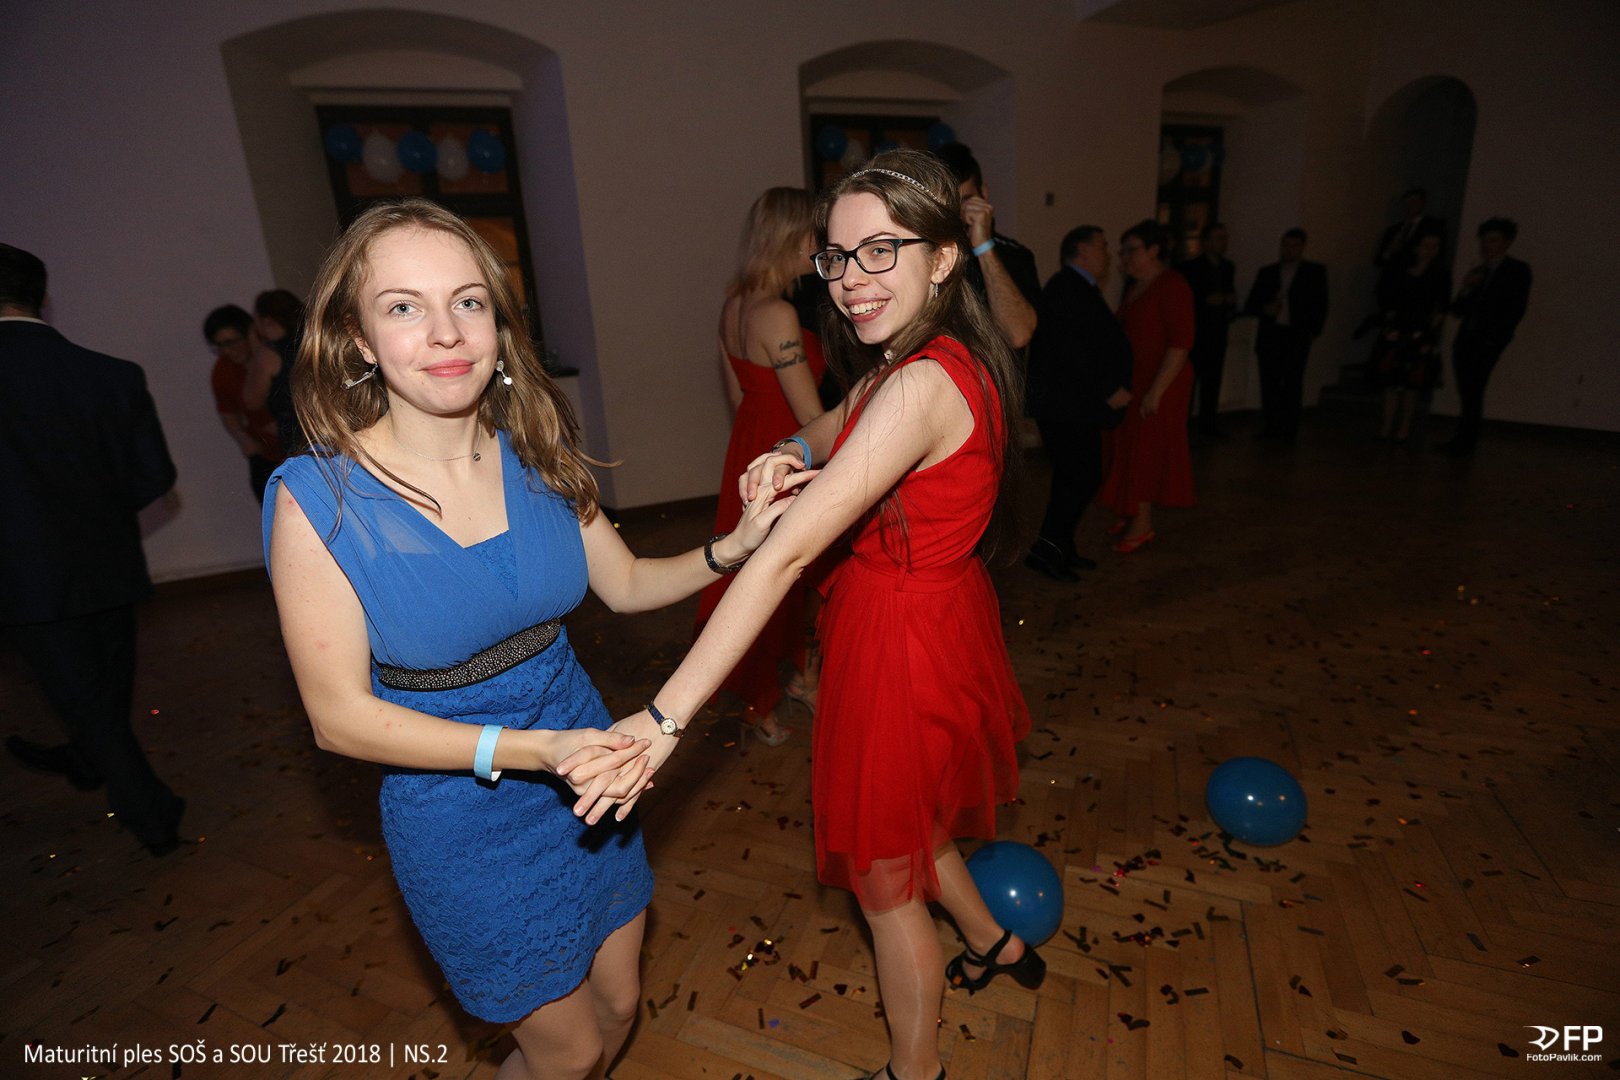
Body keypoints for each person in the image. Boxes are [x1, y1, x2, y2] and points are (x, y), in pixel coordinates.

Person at [261, 198, 803, 1080]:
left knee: (620, 1005)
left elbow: (627, 583)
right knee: (569, 1052)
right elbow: (339, 719)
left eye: (468, 302)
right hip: (461, 810)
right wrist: (533, 751)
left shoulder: (537, 446)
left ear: (498, 323)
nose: (446, 332)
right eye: (404, 306)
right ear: (356, 339)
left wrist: (733, 547)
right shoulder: (317, 499)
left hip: (588, 779)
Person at [594, 149, 1037, 1080]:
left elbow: (786, 554)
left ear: (943, 258)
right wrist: (790, 450)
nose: (849, 279)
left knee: (882, 883)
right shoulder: (919, 358)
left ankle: (916, 1072)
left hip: (902, 642)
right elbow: (834, 425)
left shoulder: (919, 381)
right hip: (927, 619)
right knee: (910, 821)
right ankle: (995, 941)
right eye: (836, 257)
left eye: (880, 251)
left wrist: (663, 720)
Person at [0, 243, 185, 856]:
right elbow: (154, 476)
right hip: (110, 565)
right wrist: (95, 519)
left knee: (85, 702)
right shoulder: (111, 374)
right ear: (40, 296)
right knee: (100, 697)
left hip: (20, 575)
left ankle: (152, 814)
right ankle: (84, 758)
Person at [695, 187, 826, 745]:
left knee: (757, 572)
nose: (821, 246)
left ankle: (779, 689)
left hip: (750, 445)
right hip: (788, 452)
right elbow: (811, 416)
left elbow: (737, 395)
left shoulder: (734, 304)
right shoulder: (778, 313)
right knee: (791, 573)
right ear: (792, 239)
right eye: (815, 235)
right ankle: (775, 692)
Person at [1023, 225, 1133, 581]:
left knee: (1075, 480)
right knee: (1078, 480)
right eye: (1102, 246)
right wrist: (1108, 388)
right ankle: (1047, 552)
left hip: (1072, 406)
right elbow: (1071, 351)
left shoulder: (1075, 287)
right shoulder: (1066, 288)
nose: (1108, 253)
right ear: (1082, 251)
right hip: (1066, 407)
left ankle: (1058, 548)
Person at [1099, 220, 1196, 553]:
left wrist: (1156, 391)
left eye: (1132, 250)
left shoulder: (1172, 285)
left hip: (1162, 382)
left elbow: (1181, 344)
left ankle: (1143, 525)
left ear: (1154, 250)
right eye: (1122, 251)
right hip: (1138, 381)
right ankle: (1130, 512)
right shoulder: (1136, 286)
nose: (1124, 257)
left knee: (1146, 453)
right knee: (1128, 448)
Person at [933, 141, 1040, 349]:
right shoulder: (926, 254)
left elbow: (1018, 335)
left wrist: (983, 246)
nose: (961, 214)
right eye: (952, 205)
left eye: (967, 200)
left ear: (984, 193)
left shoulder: (1015, 255)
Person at [1440, 217, 1532, 456]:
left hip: (1487, 341)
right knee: (1467, 390)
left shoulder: (1517, 271)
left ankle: (1466, 440)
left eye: (1493, 240)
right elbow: (1457, 309)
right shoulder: (1479, 271)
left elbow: (1516, 309)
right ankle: (1464, 438)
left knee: (1474, 389)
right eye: (1484, 241)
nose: (1487, 246)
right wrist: (1466, 287)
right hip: (1466, 339)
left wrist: (1495, 339)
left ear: (1507, 242)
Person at [1244, 228, 1329, 441]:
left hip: (1296, 335)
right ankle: (1271, 427)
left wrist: (1312, 332)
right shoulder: (1268, 272)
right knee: (1269, 383)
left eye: (1294, 246)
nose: (1289, 250)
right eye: (1285, 245)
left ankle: (1289, 429)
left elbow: (1321, 304)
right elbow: (1251, 303)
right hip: (1271, 335)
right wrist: (1265, 309)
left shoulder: (1314, 272)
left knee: (1293, 382)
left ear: (1302, 247)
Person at [1370, 230, 1449, 443]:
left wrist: (1430, 331)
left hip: (1420, 332)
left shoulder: (1440, 274)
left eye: (1435, 246)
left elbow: (1442, 307)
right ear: (1416, 247)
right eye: (1427, 245)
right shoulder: (1399, 269)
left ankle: (1403, 429)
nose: (1431, 250)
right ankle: (1386, 426)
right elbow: (1386, 297)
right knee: (1390, 383)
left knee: (1411, 384)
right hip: (1396, 329)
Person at [204, 303, 283, 501]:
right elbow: (227, 412)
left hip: (299, 450)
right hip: (267, 457)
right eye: (219, 346)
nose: (227, 351)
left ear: (250, 333)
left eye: (231, 342)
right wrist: (244, 440)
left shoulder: (273, 356)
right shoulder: (223, 370)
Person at [1175, 222, 1238, 437]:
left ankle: (1208, 425)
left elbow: (1230, 295)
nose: (1224, 243)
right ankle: (1183, 426)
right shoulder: (1190, 268)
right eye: (1219, 238)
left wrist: (1229, 301)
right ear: (1206, 242)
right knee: (1190, 381)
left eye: (1225, 239)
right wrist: (1205, 301)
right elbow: (1185, 301)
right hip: (1197, 333)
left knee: (1213, 380)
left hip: (1218, 332)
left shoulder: (1227, 267)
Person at [245, 288, 306, 456]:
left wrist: (255, 349)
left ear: (265, 321)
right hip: (331, 425)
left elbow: (251, 401)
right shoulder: (313, 342)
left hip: (297, 435)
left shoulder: (269, 355)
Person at [1375, 187, 1447, 270]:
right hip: (1393, 274)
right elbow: (1379, 260)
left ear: (1422, 203)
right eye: (1407, 203)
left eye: (1414, 202)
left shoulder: (1433, 225)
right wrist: (1390, 251)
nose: (1410, 206)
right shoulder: (1392, 230)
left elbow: (1439, 255)